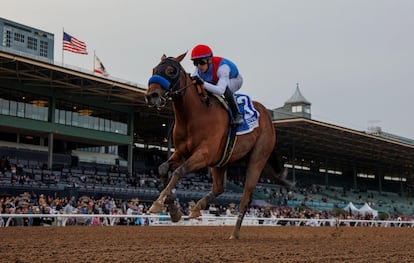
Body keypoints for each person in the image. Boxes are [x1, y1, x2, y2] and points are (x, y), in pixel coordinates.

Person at [190, 44, 244, 125]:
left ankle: (237, 115)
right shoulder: (198, 69)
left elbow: (220, 91)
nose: (199, 66)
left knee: (224, 88)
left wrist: (203, 83)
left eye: (201, 62)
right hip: (215, 81)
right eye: (195, 63)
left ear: (209, 60)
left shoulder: (223, 68)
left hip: (234, 80)